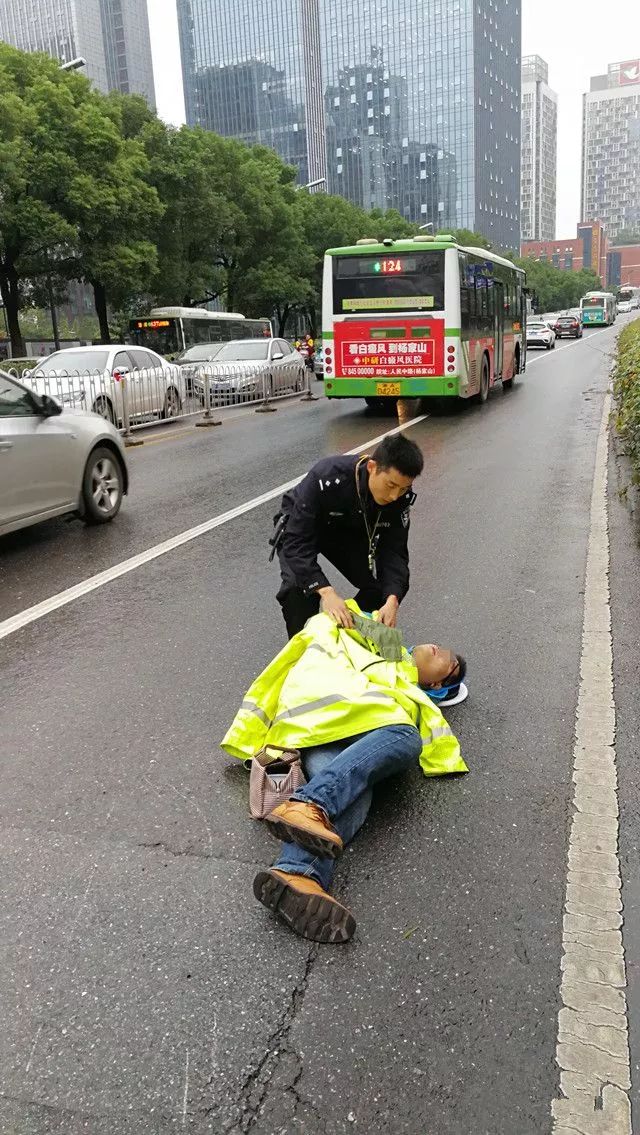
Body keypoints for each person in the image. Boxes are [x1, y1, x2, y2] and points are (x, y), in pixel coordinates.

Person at [221, 606, 467, 943]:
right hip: (324, 716)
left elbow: (440, 742)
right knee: (405, 736)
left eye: (448, 660)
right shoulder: (390, 645)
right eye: (441, 645)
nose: (440, 648)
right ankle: (309, 802)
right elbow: (332, 615)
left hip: (333, 736)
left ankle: (296, 873)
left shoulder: (414, 690)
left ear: (438, 683)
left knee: (356, 795)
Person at [272, 434, 424, 639]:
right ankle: (304, 653)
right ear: (372, 467)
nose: (394, 496)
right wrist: (326, 591)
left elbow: (394, 552)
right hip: (304, 526)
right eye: (390, 485)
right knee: (297, 590)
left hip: (348, 529)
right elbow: (297, 542)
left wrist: (392, 599)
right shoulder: (326, 476)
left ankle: (346, 636)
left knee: (383, 589)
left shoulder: (400, 498)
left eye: (403, 488)